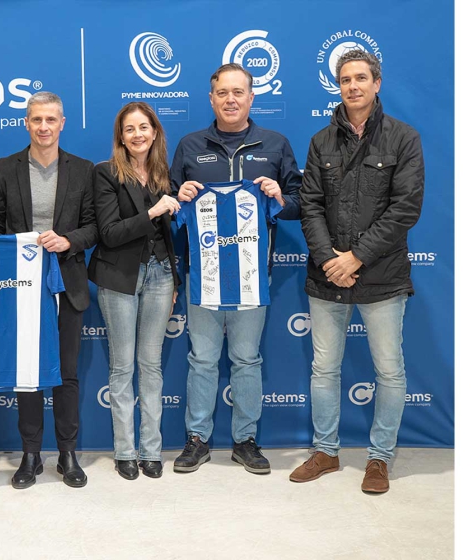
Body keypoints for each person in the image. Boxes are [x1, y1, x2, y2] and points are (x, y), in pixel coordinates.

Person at [289, 49, 424, 494]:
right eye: (345, 79)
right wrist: (331, 259)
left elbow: (405, 209)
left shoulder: (404, 139)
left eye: (361, 78)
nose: (353, 86)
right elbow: (309, 204)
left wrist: (357, 257)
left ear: (377, 83)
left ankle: (380, 459)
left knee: (389, 370)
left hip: (382, 277)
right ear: (339, 85)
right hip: (327, 277)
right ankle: (326, 451)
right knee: (324, 368)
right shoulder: (320, 141)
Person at [171, 63, 302, 475]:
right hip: (203, 275)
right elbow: (168, 208)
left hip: (251, 278)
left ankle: (246, 440)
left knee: (247, 360)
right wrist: (180, 194)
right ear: (211, 99)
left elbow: (300, 204)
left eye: (238, 92)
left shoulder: (275, 144)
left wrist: (280, 196)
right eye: (222, 93)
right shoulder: (190, 146)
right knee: (203, 359)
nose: (230, 99)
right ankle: (197, 439)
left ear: (251, 97)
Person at [0, 91, 98, 489]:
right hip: (19, 287)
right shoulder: (4, 169)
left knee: (66, 373)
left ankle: (67, 453)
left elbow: (94, 226)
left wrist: (68, 241)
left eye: (51, 120)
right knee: (27, 373)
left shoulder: (84, 170)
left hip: (68, 283)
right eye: (36, 120)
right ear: (25, 124)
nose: (43, 127)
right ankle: (31, 454)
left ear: (62, 123)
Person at [88, 102, 180, 480]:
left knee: (152, 366)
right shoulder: (106, 173)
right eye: (130, 129)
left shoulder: (164, 174)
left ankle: (151, 450)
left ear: (155, 132)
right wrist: (155, 211)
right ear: (121, 137)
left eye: (144, 127)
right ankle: (125, 450)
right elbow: (109, 233)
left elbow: (172, 237)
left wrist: (175, 277)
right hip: (119, 279)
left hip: (161, 276)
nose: (138, 134)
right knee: (123, 366)